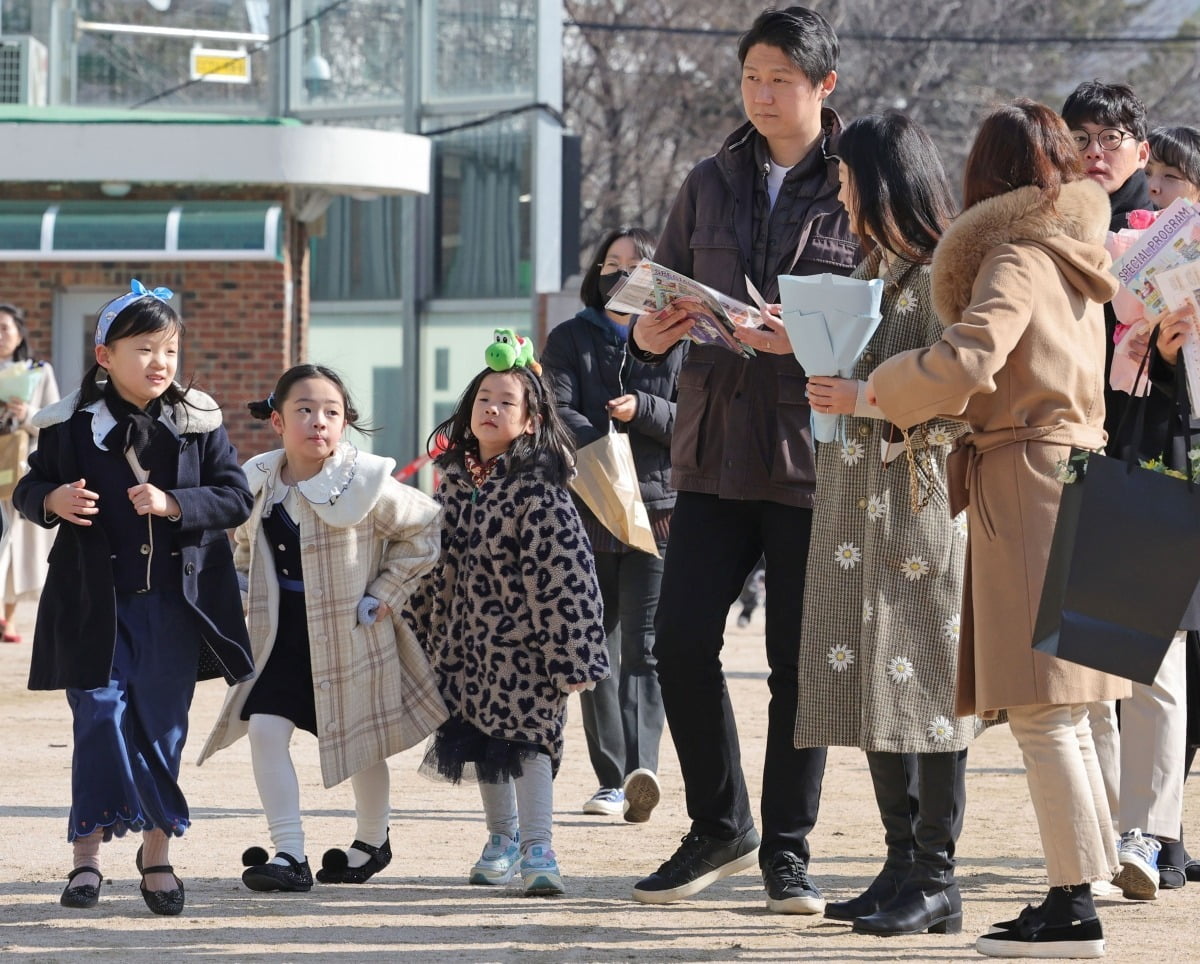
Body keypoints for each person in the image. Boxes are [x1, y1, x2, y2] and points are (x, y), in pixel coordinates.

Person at [866, 100, 1129, 958]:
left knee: (1043, 711)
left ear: (986, 177)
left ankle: (1069, 904)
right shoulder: (1078, 259)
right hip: (1084, 474)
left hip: (1028, 479)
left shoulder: (1015, 255)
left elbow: (973, 356)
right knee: (1077, 707)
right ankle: (1077, 889)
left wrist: (888, 383)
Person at [626, 5, 857, 914]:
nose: (762, 95)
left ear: (824, 87)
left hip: (808, 451)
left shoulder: (856, 183)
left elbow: (882, 318)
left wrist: (795, 339)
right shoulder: (707, 180)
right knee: (677, 640)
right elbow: (660, 298)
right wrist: (650, 329)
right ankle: (721, 822)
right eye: (752, 77)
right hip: (712, 447)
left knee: (800, 668)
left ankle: (787, 851)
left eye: (782, 81)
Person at [13, 281, 254, 915]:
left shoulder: (198, 421)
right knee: (97, 715)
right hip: (93, 604)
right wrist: (51, 500)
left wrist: (177, 503)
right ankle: (86, 859)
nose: (159, 363)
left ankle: (157, 856)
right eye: (143, 348)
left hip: (175, 607)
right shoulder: (69, 426)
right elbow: (28, 487)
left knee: (163, 731)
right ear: (104, 356)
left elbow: (236, 495)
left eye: (169, 349)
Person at [797, 111, 975, 937]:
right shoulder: (877, 267)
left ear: (882, 181)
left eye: (846, 179)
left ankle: (938, 875)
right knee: (869, 671)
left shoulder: (949, 270)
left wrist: (860, 397)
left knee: (928, 680)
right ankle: (901, 862)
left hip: (917, 498)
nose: (839, 194)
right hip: (855, 502)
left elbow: (966, 397)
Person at [196, 364, 446, 893]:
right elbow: (242, 549)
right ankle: (289, 852)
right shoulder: (258, 480)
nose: (318, 421)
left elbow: (424, 529)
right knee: (265, 731)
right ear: (277, 422)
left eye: (331, 412)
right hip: (280, 637)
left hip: (350, 638)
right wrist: (237, 594)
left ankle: (373, 840)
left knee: (362, 744)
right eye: (304, 410)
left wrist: (385, 593)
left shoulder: (367, 483)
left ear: (345, 422)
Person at [407, 337, 609, 897]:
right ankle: (501, 839)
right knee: (481, 742)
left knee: (529, 743)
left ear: (529, 420)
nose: (491, 410)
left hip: (527, 647)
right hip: (465, 645)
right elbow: (430, 564)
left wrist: (574, 654)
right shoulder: (454, 483)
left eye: (505, 402)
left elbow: (567, 577)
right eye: (483, 400)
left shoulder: (539, 488)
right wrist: (414, 626)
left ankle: (539, 846)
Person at [541, 225, 681, 823]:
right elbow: (555, 410)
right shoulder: (571, 337)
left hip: (660, 511)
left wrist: (641, 409)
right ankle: (610, 779)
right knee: (593, 640)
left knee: (645, 648)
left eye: (634, 265)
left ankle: (640, 771)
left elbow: (694, 419)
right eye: (609, 263)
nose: (619, 274)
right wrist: (609, 438)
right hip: (591, 503)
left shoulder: (683, 339)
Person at [0, 302, 60, 643]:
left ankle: (6, 618)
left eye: (4, 328)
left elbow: (53, 421)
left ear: (20, 333)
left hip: (18, 469)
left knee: (14, 543)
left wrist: (24, 413)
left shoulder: (38, 370)